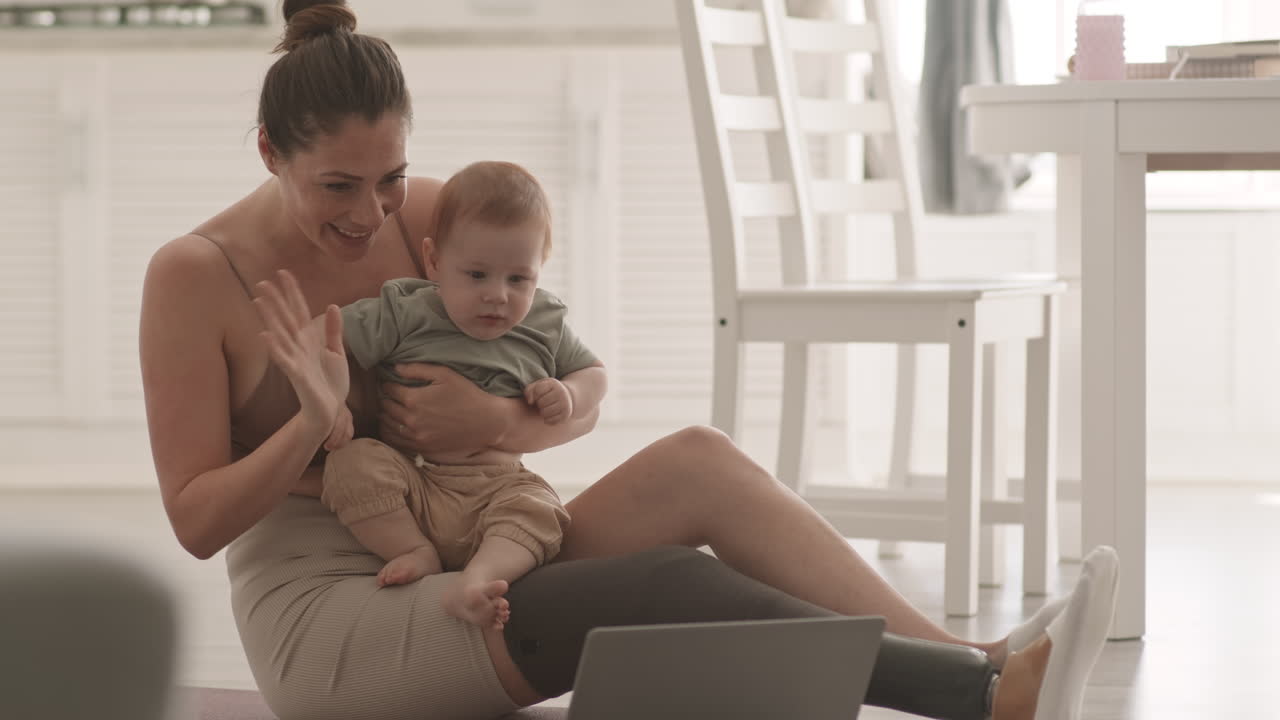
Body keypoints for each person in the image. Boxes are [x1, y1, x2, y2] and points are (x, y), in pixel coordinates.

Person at [137, 2, 1119, 719]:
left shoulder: (428, 221)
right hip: (334, 612)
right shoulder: (195, 275)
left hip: (468, 535)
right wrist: (310, 427)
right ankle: (977, 698)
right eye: (337, 187)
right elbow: (194, 522)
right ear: (269, 152)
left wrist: (501, 422)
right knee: (661, 585)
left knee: (698, 459)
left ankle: (975, 662)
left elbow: (564, 386)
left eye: (388, 177)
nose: (369, 213)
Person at [316, 159, 606, 630]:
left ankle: (479, 580)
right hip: (414, 483)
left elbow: (595, 374)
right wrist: (330, 399)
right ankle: (414, 549)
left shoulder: (543, 322)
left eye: (518, 279)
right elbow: (320, 338)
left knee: (542, 509)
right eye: (476, 275)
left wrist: (570, 393)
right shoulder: (409, 310)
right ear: (434, 261)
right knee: (352, 463)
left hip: (499, 486)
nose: (498, 295)